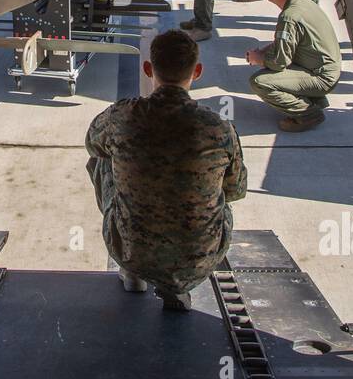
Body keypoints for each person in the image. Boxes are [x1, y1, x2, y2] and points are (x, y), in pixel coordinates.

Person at [85, 29, 247, 311]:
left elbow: (92, 144)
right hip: (200, 258)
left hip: (130, 250)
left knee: (101, 161)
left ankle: (133, 273)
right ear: (197, 71)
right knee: (218, 195)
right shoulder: (219, 129)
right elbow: (235, 190)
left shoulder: (122, 117)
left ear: (148, 69)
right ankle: (179, 285)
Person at [245, 0, 341, 133]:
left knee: (260, 82)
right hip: (323, 69)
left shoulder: (289, 17)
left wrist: (257, 58)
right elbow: (287, 44)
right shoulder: (303, 2)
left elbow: (279, 62)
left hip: (320, 77)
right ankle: (314, 100)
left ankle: (308, 113)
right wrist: (262, 51)